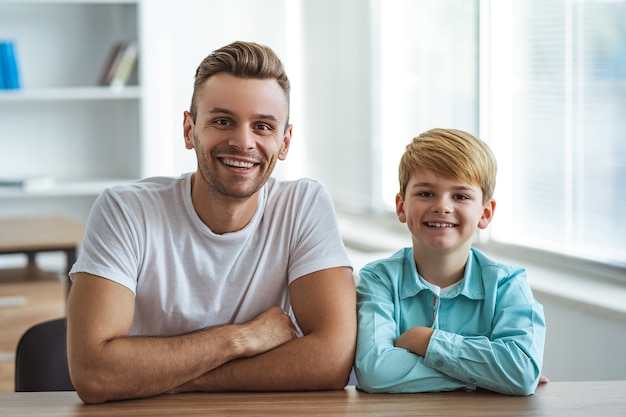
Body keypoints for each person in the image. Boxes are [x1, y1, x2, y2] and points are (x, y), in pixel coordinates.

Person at [67, 41, 356, 404]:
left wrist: (178, 379)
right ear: (189, 130)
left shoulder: (304, 205)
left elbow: (332, 361)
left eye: (263, 126)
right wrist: (242, 339)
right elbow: (94, 373)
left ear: (285, 142)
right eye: (222, 121)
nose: (243, 142)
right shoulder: (125, 210)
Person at [354, 128, 546, 395]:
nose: (442, 206)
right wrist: (487, 377)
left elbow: (521, 371)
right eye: (425, 194)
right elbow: (376, 371)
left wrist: (426, 340)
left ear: (485, 212)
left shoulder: (507, 284)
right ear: (401, 206)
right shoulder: (379, 279)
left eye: (460, 196)